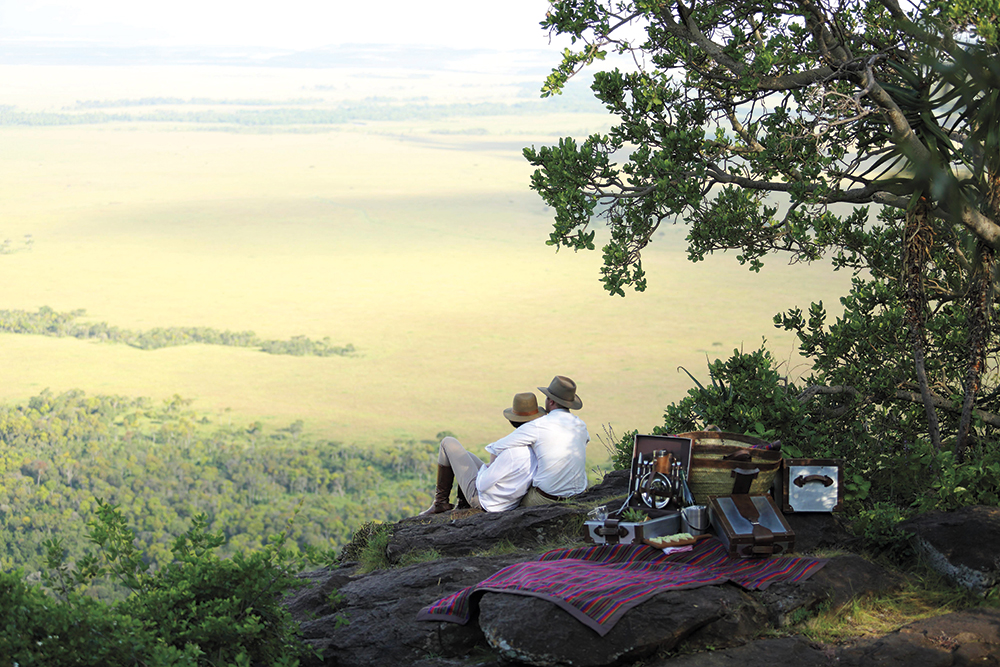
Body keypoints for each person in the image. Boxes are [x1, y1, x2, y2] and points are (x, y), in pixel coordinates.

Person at [417, 392, 545, 515]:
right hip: (506, 501)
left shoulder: (512, 452)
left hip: (484, 501)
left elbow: (482, 485)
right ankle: (460, 503)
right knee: (465, 455)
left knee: (448, 443)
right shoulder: (536, 448)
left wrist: (488, 466)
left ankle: (440, 502)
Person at [487, 375, 590, 506]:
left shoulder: (539, 425)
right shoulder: (581, 425)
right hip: (579, 495)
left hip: (547, 499)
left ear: (551, 401)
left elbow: (496, 447)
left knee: (511, 501)